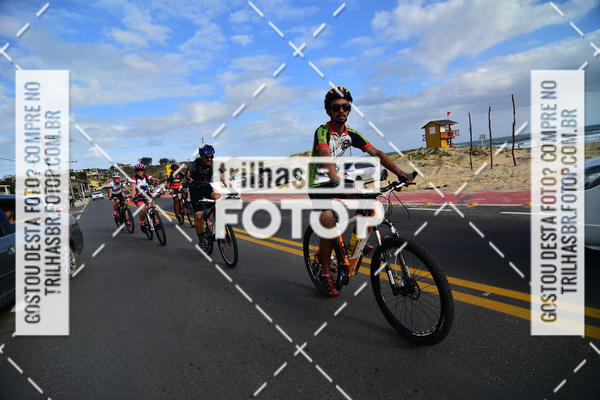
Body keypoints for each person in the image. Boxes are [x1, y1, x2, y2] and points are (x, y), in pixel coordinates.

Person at [309, 86, 413, 297]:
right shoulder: (322, 132)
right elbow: (325, 154)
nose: (341, 110)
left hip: (337, 177)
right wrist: (337, 181)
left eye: (345, 107)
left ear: (349, 109)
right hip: (319, 182)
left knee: (369, 201)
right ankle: (325, 274)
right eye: (336, 107)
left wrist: (401, 173)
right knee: (328, 219)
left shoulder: (352, 134)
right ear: (328, 111)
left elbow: (377, 153)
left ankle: (356, 243)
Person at [186, 145, 224, 249]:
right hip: (195, 191)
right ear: (201, 156)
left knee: (218, 197)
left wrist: (231, 189)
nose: (209, 159)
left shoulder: (213, 164)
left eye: (211, 156)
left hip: (206, 188)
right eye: (207, 157)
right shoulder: (194, 165)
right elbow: (188, 175)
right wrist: (187, 179)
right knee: (199, 216)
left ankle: (217, 222)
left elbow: (223, 176)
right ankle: (201, 239)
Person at [130, 163, 158, 233]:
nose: (140, 172)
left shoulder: (146, 176)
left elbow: (153, 179)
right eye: (138, 170)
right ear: (135, 171)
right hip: (138, 197)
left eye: (141, 170)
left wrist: (157, 180)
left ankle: (157, 221)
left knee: (154, 206)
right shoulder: (134, 179)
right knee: (143, 208)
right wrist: (133, 197)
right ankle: (142, 224)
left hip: (147, 195)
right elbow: (133, 188)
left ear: (144, 171)